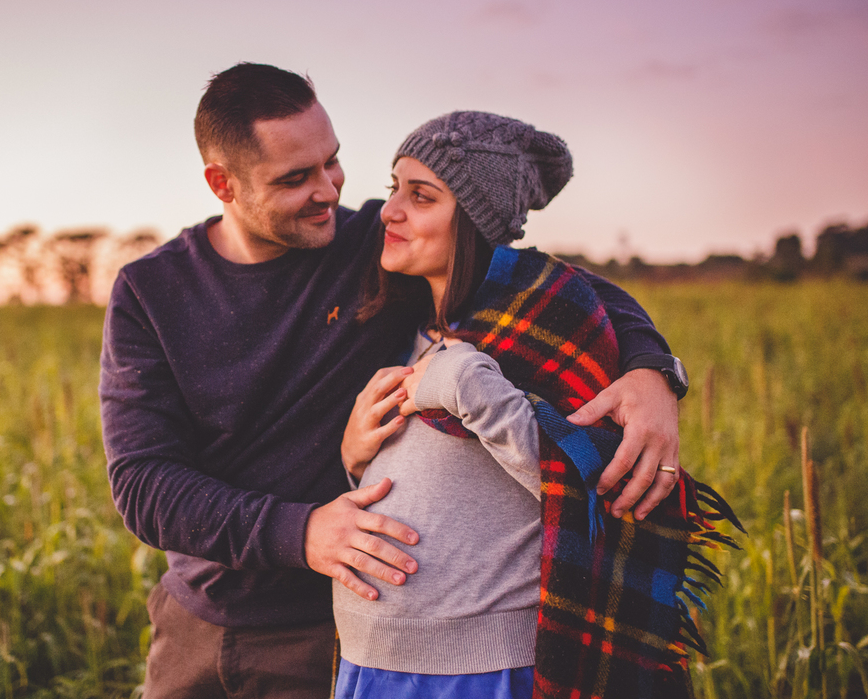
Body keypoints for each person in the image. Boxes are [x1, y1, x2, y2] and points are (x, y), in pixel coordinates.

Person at [98, 64, 685, 698]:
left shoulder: (372, 247)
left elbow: (556, 285)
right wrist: (303, 530)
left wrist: (651, 370)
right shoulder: (150, 292)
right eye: (296, 178)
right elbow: (143, 484)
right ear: (223, 184)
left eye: (333, 162)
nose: (328, 190)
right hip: (198, 624)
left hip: (338, 623)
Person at [334, 111, 712, 698]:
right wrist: (355, 455)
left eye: (421, 195)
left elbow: (592, 484)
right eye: (393, 188)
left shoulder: (547, 319)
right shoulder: (402, 325)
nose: (389, 210)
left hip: (482, 669)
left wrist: (471, 389)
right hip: (371, 659)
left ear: (475, 221)